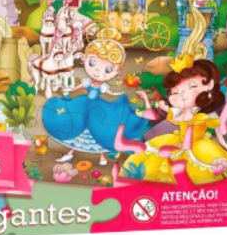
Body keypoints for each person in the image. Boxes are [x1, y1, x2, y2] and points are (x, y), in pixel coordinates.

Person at [121, 54, 227, 184]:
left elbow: (219, 133)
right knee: (153, 161)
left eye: (192, 86)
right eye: (175, 92)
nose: (182, 93)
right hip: (177, 142)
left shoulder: (205, 115)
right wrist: (149, 100)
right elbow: (167, 114)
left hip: (199, 145)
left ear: (209, 85)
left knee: (205, 165)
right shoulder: (179, 112)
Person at [42, 28, 149, 166]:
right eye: (92, 63)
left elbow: (109, 93)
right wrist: (68, 90)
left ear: (118, 72)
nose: (98, 71)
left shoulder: (103, 87)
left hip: (98, 108)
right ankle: (70, 154)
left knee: (98, 131)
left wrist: (117, 95)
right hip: (83, 105)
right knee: (78, 128)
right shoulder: (87, 82)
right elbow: (77, 88)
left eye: (108, 69)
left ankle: (101, 156)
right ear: (84, 58)